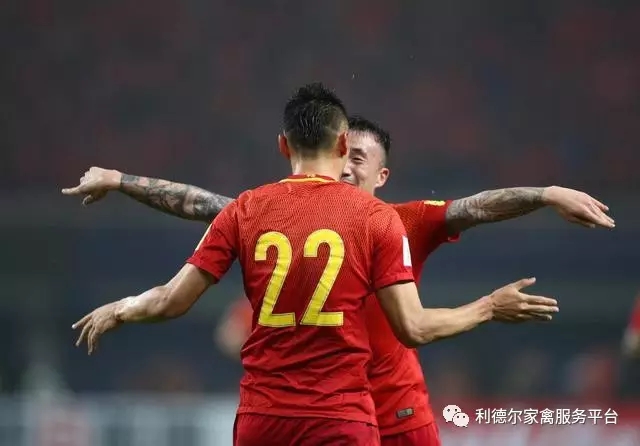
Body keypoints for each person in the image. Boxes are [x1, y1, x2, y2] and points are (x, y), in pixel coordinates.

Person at [65, 113, 589, 446]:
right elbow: (200, 202)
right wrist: (121, 180)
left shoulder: (403, 221)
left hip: (397, 413)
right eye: (344, 155)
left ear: (382, 175)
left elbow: (476, 207)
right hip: (330, 414)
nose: (347, 168)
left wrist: (545, 194)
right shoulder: (282, 214)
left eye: (360, 160)